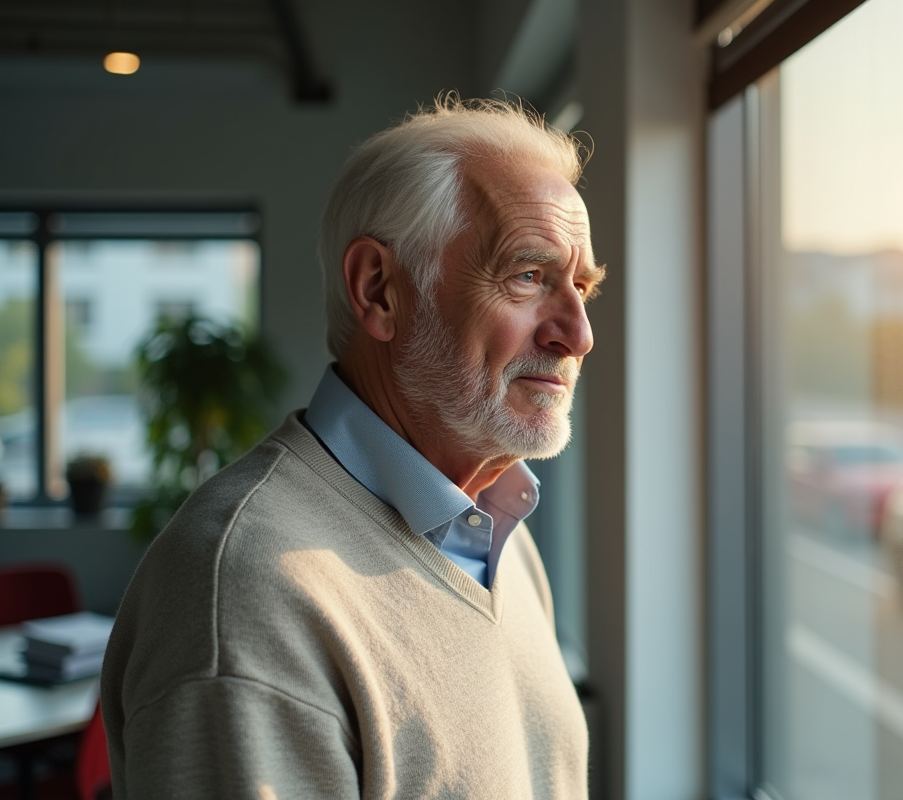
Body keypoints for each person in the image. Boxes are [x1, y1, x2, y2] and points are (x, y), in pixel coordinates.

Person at [101, 96, 605, 799]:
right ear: (379, 291)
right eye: (528, 276)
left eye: (580, 287)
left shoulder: (499, 528)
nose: (578, 335)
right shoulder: (245, 594)